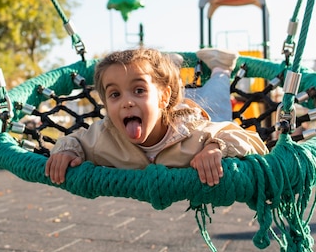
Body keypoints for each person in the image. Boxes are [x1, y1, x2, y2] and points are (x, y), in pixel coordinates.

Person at [45, 48, 268, 186]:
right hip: (162, 102)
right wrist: (66, 151)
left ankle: (221, 67)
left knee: (218, 102)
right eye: (115, 94)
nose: (127, 101)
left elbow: (251, 141)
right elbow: (75, 140)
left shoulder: (195, 134)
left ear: (163, 98)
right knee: (168, 83)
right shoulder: (105, 136)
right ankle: (171, 67)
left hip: (192, 112)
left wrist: (215, 147)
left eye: (139, 90)